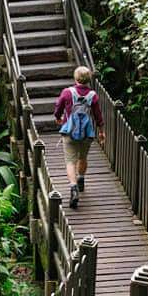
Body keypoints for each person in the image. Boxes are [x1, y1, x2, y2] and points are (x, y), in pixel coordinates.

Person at [54, 66, 105, 209]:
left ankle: (73, 187)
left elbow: (58, 107)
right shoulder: (93, 95)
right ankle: (81, 178)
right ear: (89, 80)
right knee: (82, 158)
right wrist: (101, 131)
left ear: (76, 78)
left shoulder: (67, 92)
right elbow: (98, 115)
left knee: (70, 161)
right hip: (86, 133)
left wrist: (58, 118)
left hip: (69, 131)